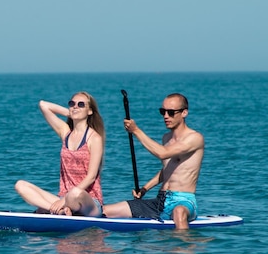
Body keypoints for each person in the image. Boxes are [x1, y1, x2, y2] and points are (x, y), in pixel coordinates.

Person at [102, 93, 204, 230]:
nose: (166, 116)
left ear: (184, 113)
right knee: (105, 211)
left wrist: (136, 131)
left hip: (183, 201)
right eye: (163, 112)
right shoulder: (166, 138)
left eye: (171, 112)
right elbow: (168, 170)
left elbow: (162, 153)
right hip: (159, 201)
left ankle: (183, 248)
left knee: (179, 213)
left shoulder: (195, 138)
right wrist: (144, 189)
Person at [15, 91, 105, 217]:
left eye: (80, 105)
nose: (75, 106)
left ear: (90, 111)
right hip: (63, 201)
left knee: (75, 193)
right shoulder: (65, 133)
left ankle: (59, 209)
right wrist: (72, 113)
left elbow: (91, 177)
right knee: (21, 185)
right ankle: (60, 211)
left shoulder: (94, 138)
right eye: (72, 104)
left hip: (89, 203)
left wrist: (64, 200)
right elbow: (43, 105)